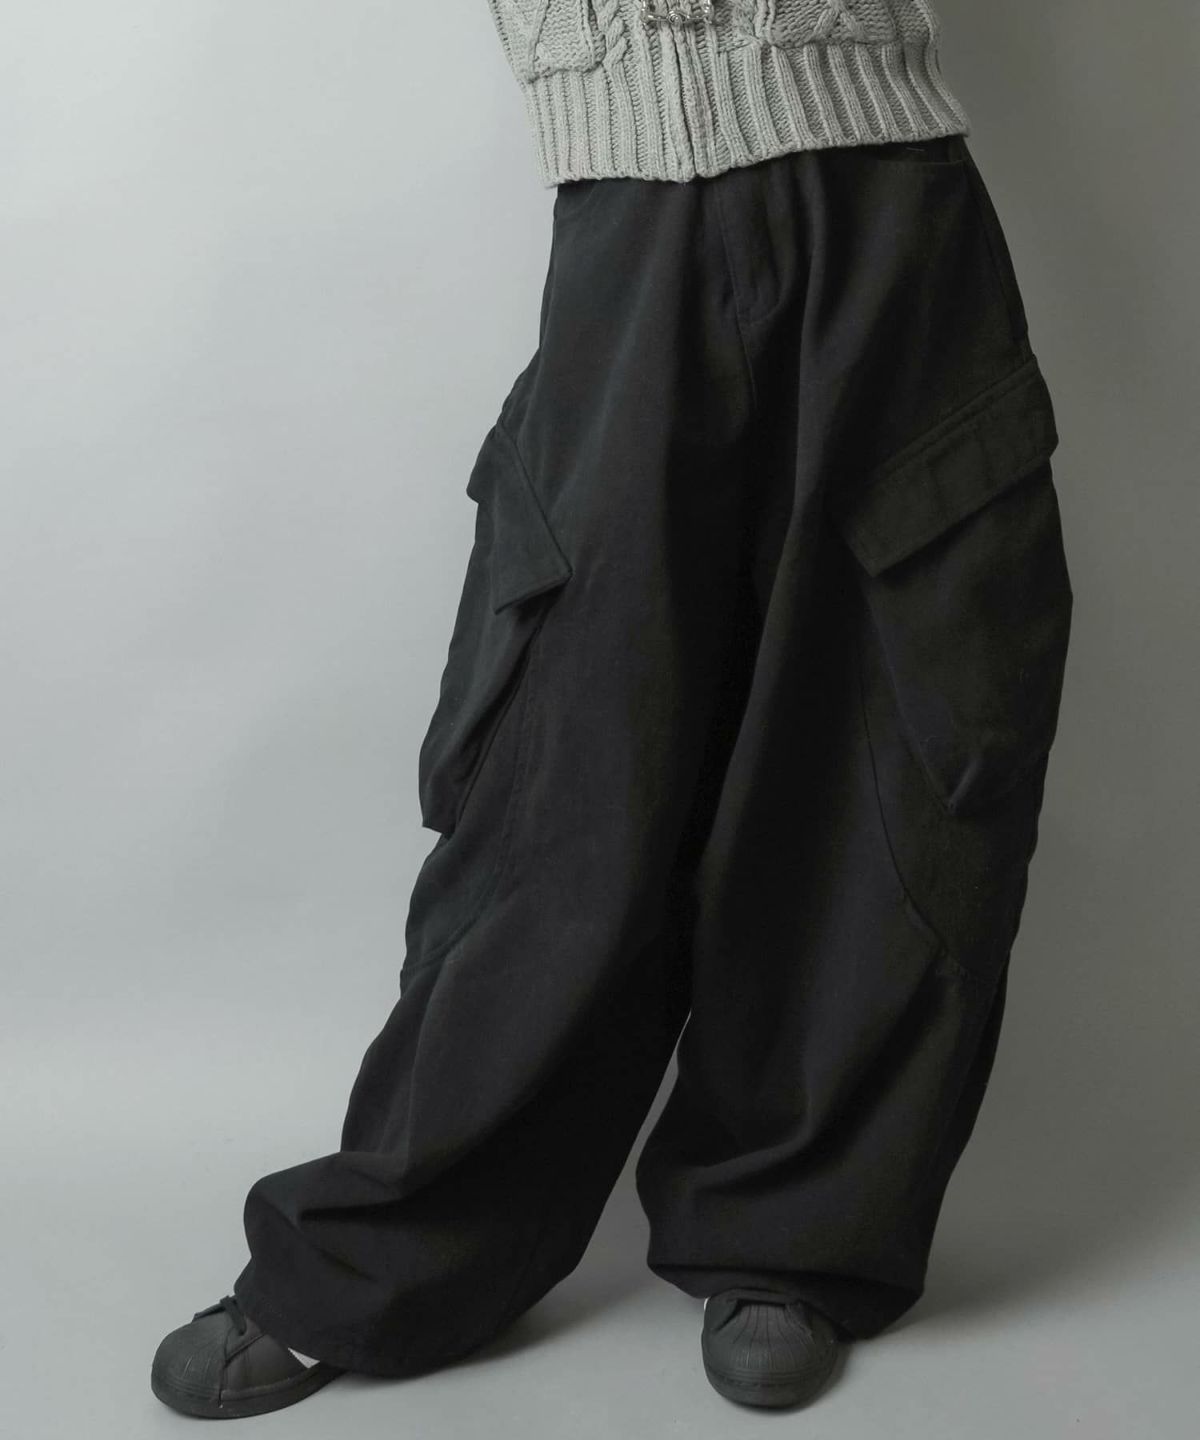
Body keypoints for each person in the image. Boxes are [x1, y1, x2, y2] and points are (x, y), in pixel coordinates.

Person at [151, 0, 1073, 1419]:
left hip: (895, 200)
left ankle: (792, 1234)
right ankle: (400, 1247)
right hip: (630, 217)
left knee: (887, 743)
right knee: (563, 762)